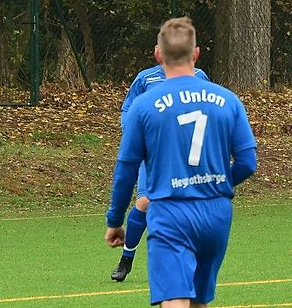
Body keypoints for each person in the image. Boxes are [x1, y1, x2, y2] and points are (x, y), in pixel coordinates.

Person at [104, 17, 257, 307]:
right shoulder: (228, 100)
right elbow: (248, 162)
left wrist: (114, 220)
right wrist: (215, 182)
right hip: (216, 213)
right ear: (196, 53)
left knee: (175, 299)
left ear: (158, 54)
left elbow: (126, 170)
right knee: (199, 301)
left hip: (171, 211)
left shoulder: (145, 105)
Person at [111, 50, 211, 282]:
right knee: (145, 203)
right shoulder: (146, 78)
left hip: (185, 156)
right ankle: (126, 258)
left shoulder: (198, 76)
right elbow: (128, 109)